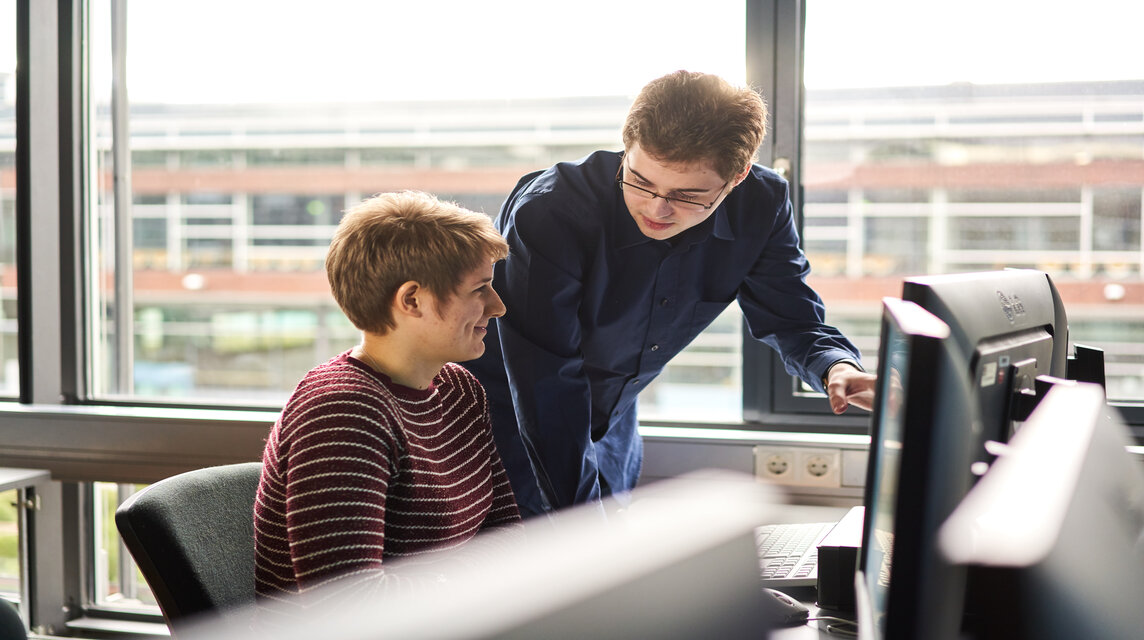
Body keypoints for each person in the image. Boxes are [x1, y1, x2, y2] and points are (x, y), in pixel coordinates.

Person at [464, 70, 876, 519]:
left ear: (736, 178)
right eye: (641, 181)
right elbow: (546, 380)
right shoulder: (551, 211)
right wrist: (581, 524)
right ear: (627, 147)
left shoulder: (762, 203)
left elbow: (791, 316)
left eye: (687, 195)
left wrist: (836, 365)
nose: (657, 208)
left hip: (612, 424)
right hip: (502, 424)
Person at [253, 191, 521, 614]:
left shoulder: (459, 390)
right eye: (480, 289)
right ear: (412, 300)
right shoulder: (342, 412)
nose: (498, 307)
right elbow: (346, 603)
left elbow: (508, 539)